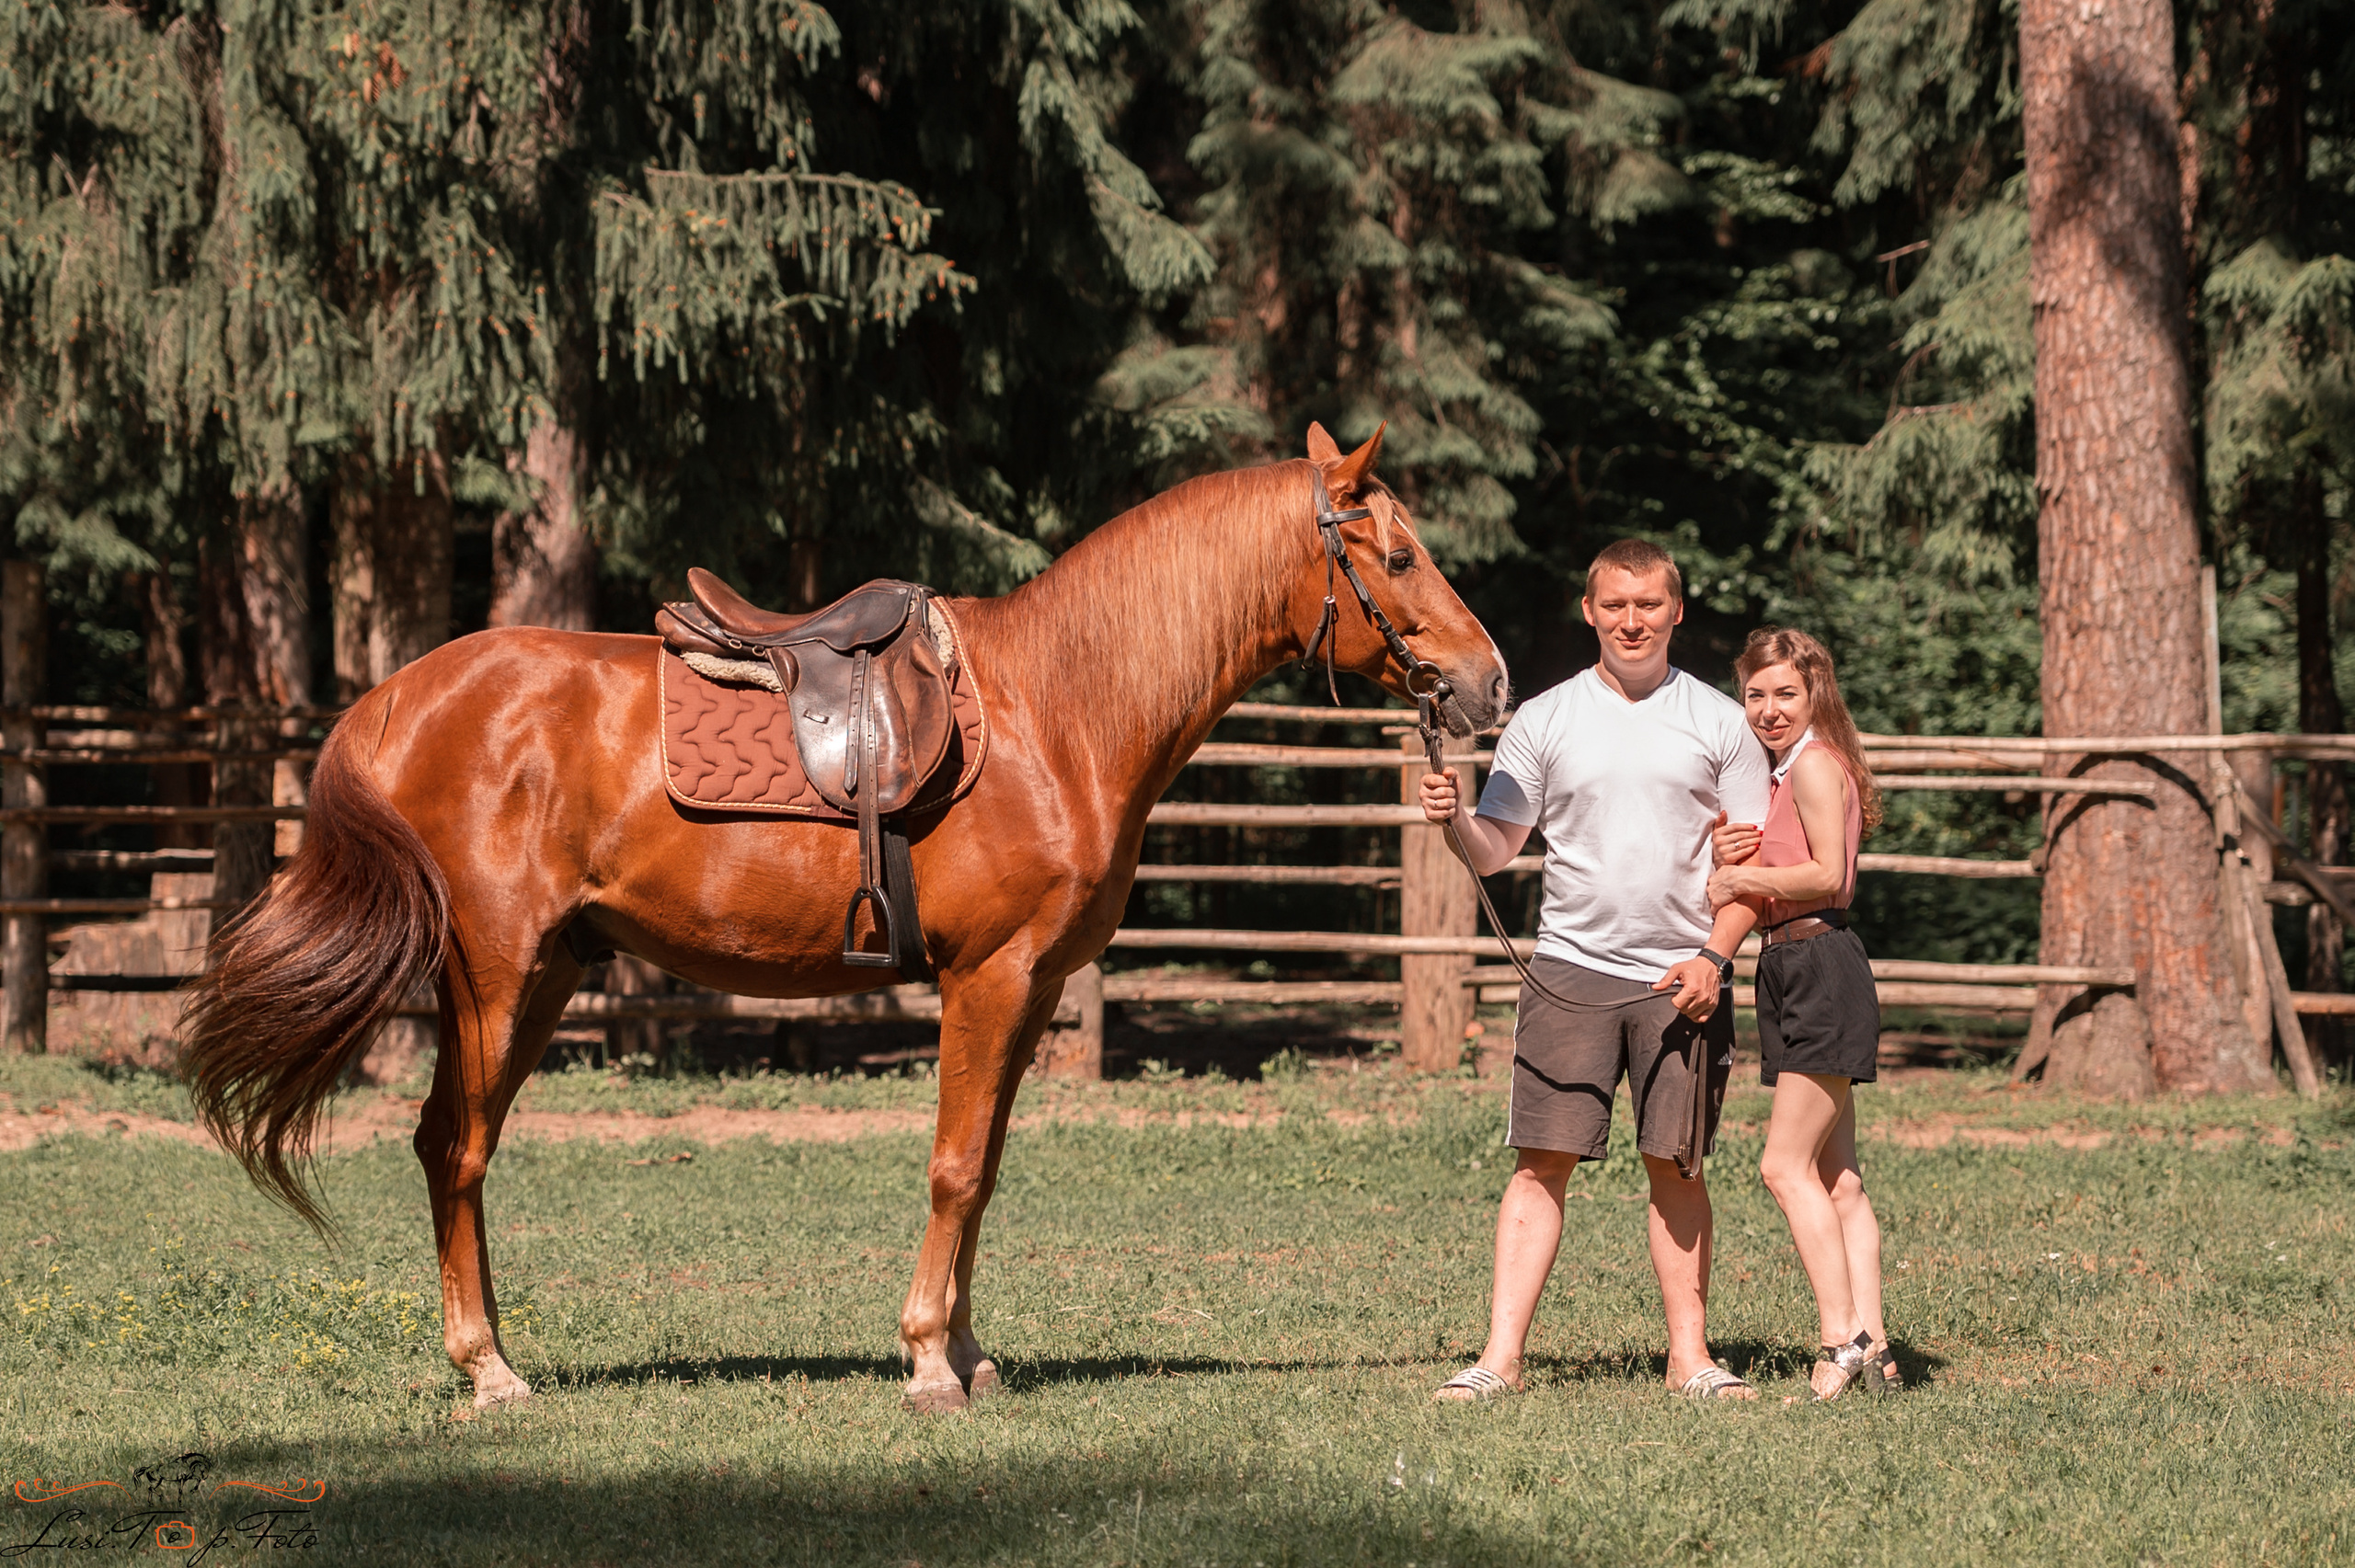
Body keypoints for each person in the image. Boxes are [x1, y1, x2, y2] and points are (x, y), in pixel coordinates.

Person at [1419, 540, 1770, 1402]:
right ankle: (1498, 1359)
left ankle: (1690, 1358)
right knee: (1542, 1162)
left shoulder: (1721, 722)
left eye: (1649, 604)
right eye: (1615, 604)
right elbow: (1497, 847)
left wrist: (1714, 960)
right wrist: (1454, 818)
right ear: (1590, 611)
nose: (1632, 620)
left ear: (1676, 612)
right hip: (1568, 970)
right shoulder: (1545, 718)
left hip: (1681, 976)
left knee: (1678, 1166)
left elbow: (1750, 870)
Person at [1706, 627, 1900, 1399]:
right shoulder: (1786, 770)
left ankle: (1839, 1339)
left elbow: (1831, 873)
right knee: (1838, 1178)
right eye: (1755, 694)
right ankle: (1879, 1348)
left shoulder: (1816, 766)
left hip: (1819, 962)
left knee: (1782, 1166)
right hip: (1792, 963)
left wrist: (1739, 879)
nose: (1769, 708)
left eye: (1786, 692)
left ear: (1816, 692)